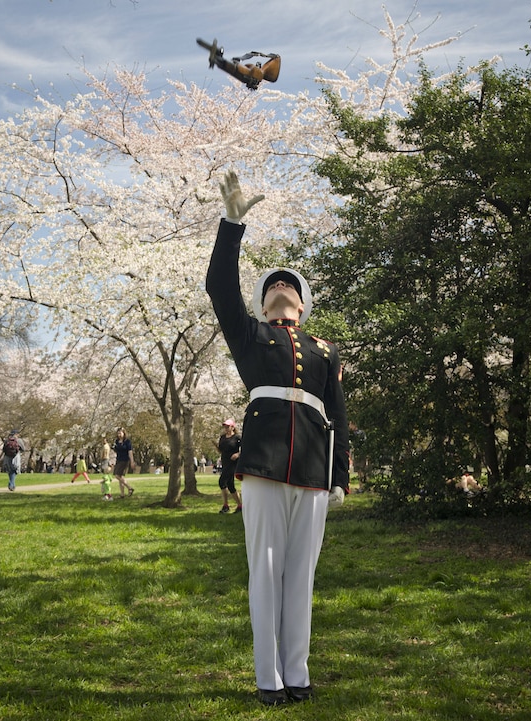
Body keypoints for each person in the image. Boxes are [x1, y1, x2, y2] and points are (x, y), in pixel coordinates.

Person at [206, 169, 350, 706]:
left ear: (303, 303)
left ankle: (298, 672)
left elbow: (337, 412)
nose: (281, 284)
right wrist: (231, 225)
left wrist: (341, 477)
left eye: (289, 283)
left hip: (313, 472)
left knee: (301, 577)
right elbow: (220, 287)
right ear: (265, 304)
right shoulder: (251, 338)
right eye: (273, 284)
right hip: (264, 466)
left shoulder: (325, 351)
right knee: (265, 572)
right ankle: (269, 679)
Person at [216, 419, 242, 514]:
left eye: (228, 426)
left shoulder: (237, 437)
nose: (226, 428)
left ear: (233, 427)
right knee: (230, 485)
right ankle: (240, 505)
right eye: (225, 426)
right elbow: (221, 450)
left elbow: (244, 448)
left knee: (222, 481)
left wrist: (238, 454)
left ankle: (225, 505)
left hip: (233, 463)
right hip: (225, 462)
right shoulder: (222, 437)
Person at [111, 427, 135, 497]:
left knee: (117, 475)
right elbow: (115, 450)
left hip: (125, 460)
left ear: (124, 433)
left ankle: (129, 488)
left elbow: (130, 452)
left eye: (120, 433)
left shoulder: (127, 442)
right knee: (120, 477)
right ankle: (122, 494)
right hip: (118, 459)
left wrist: (132, 461)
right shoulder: (116, 441)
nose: (119, 435)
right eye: (118, 433)